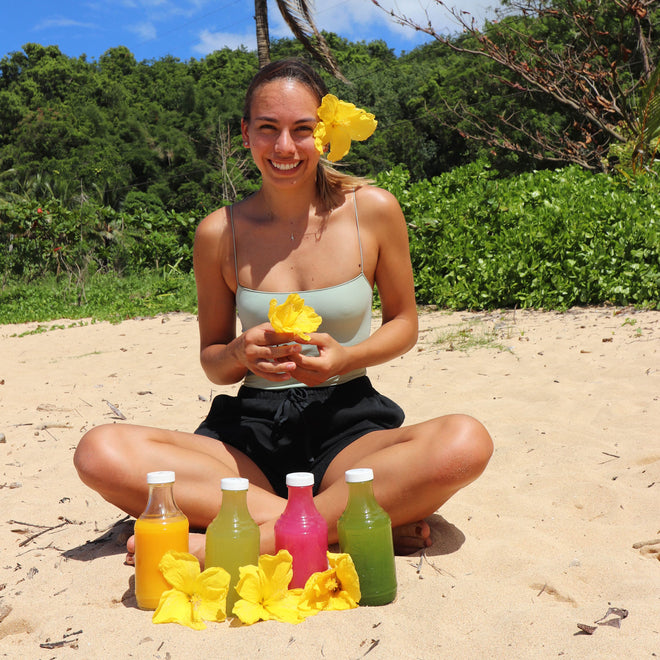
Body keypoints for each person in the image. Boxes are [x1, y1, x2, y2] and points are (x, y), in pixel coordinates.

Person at [73, 58, 493, 563]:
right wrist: (237, 351)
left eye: (303, 130)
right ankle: (343, 524)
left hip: (349, 424)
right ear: (246, 132)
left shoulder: (374, 209)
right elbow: (213, 362)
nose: (285, 148)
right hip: (249, 438)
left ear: (326, 132)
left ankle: (246, 538)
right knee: (98, 450)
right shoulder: (218, 233)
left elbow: (404, 324)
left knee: (466, 441)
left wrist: (345, 358)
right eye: (268, 129)